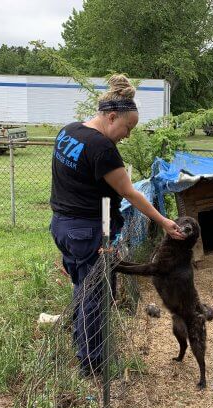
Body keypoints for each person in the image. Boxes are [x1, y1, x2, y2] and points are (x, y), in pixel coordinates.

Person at [49, 74, 184, 377]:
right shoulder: (102, 148)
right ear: (111, 117)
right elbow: (129, 192)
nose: (128, 135)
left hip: (61, 225)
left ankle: (81, 347)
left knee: (81, 291)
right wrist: (163, 220)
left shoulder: (68, 132)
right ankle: (93, 366)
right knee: (94, 298)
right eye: (128, 127)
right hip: (86, 231)